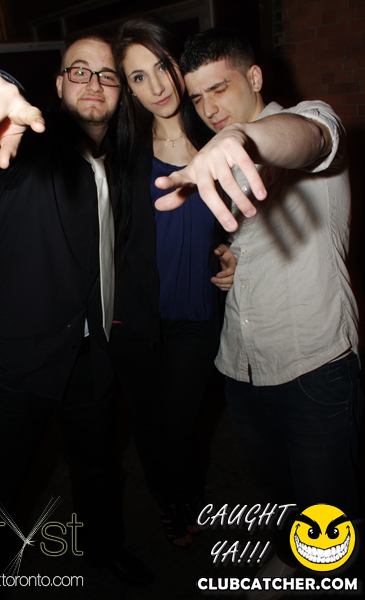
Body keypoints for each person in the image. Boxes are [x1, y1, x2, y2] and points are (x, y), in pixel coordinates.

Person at [155, 26, 363, 587]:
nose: (208, 108)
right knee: (278, 495)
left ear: (254, 77)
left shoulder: (304, 119)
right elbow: (253, 243)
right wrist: (232, 260)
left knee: (328, 510)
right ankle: (294, 561)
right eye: (197, 96)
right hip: (242, 368)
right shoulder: (221, 160)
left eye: (219, 88)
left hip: (314, 366)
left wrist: (243, 137)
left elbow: (310, 140)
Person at [0, 35, 154, 589]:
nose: (94, 83)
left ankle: (103, 548)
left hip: (92, 355)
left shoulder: (120, 161)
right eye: (79, 71)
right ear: (58, 84)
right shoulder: (25, 147)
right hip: (14, 360)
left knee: (97, 467)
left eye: (107, 74)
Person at [110, 17, 235, 548]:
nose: (157, 86)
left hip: (197, 313)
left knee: (178, 422)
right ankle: (172, 503)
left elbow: (246, 218)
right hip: (135, 317)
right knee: (148, 422)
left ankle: (185, 497)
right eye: (138, 77)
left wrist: (236, 253)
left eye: (162, 66)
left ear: (178, 65)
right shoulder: (122, 150)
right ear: (128, 89)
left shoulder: (220, 136)